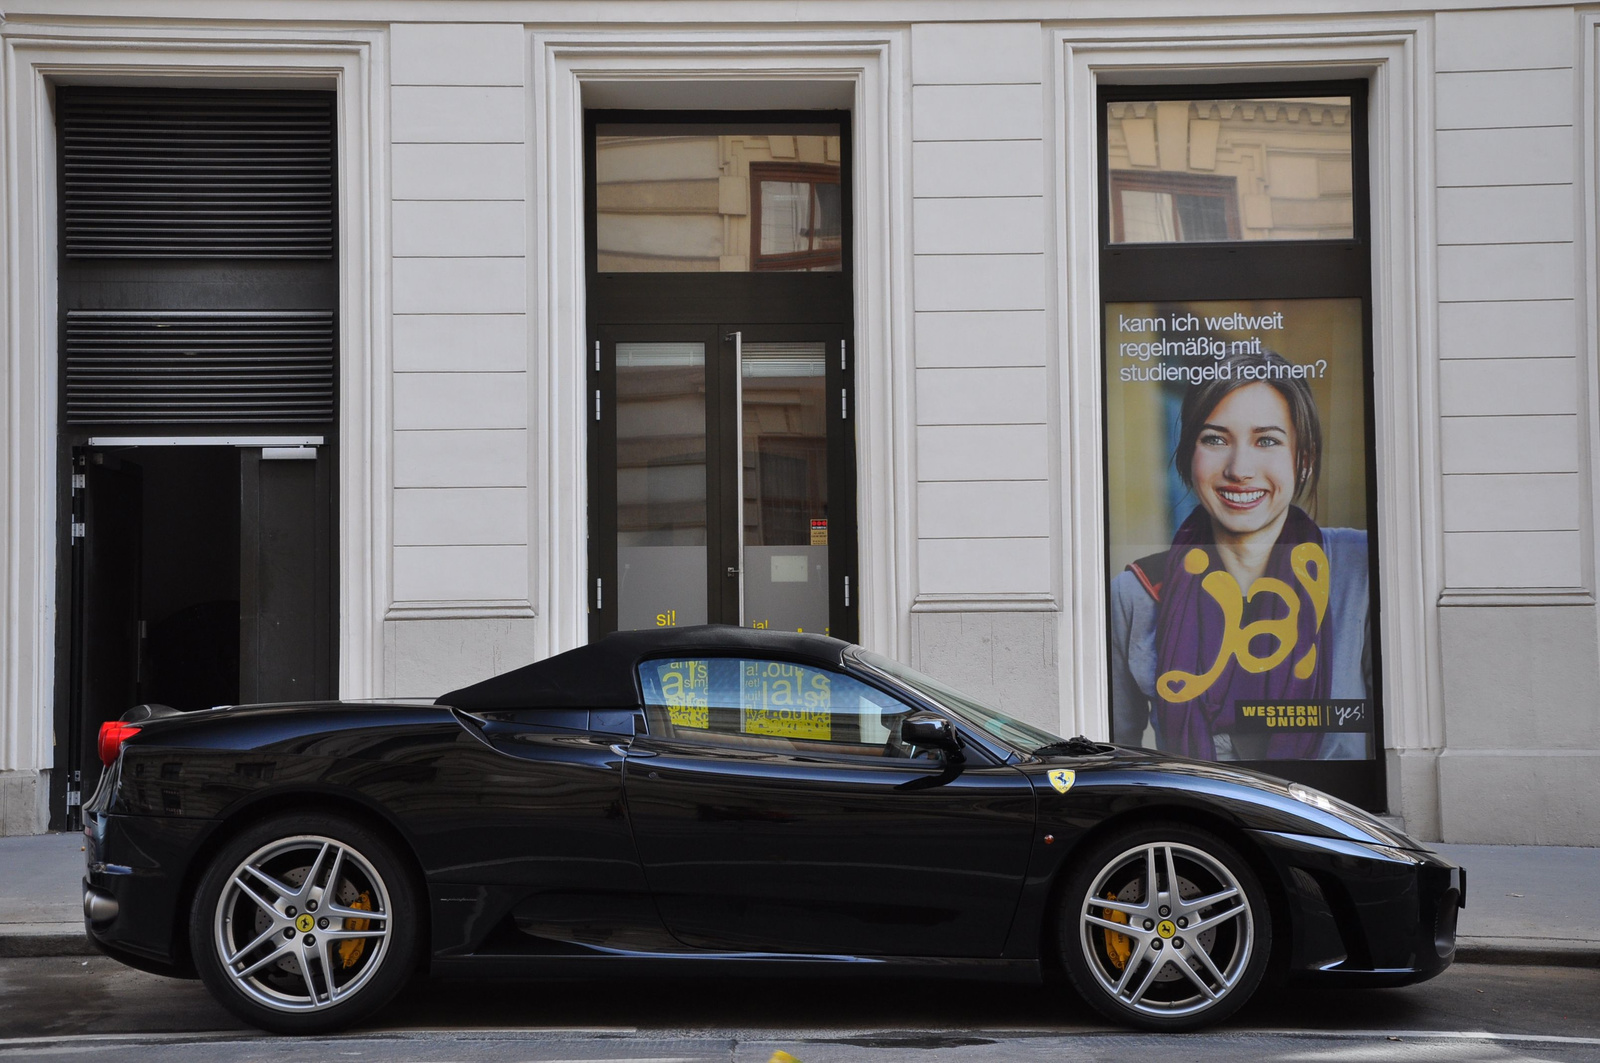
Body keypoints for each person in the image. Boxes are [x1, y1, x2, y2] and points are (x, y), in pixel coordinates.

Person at [1109, 349, 1369, 760]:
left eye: (1267, 440)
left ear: (1304, 459)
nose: (1239, 468)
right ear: (1187, 456)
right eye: (1215, 439)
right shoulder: (1135, 594)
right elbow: (1118, 756)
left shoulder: (1360, 569)